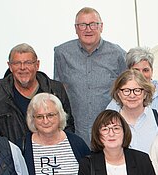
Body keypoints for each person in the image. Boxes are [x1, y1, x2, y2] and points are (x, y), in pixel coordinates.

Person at [53, 6, 127, 141]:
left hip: (109, 130)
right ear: (76, 28)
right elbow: (58, 90)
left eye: (93, 24)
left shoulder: (118, 54)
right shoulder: (62, 53)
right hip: (75, 130)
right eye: (83, 25)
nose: (88, 29)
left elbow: (126, 89)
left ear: (101, 27)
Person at [0, 43, 76, 148]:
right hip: (13, 158)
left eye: (28, 63)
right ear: (10, 66)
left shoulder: (55, 89)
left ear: (37, 65)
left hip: (52, 154)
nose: (22, 68)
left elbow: (68, 125)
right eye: (17, 63)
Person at [109, 69, 158, 154]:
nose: (132, 95)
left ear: (145, 93)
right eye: (126, 91)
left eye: (137, 90)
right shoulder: (109, 124)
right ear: (118, 93)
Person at [123, 46, 158, 114]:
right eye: (136, 70)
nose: (141, 75)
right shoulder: (121, 97)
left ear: (152, 71)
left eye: (145, 70)